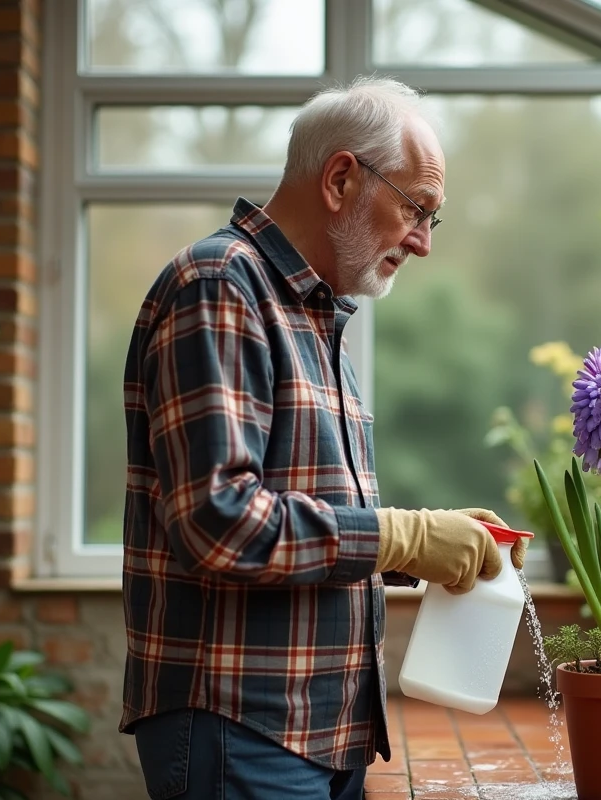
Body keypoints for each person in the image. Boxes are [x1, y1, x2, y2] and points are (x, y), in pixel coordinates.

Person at [119, 76, 528, 800]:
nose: (424, 242)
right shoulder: (220, 284)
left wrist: (430, 544)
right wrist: (400, 536)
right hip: (241, 725)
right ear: (341, 177)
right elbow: (218, 522)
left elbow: (307, 522)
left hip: (316, 731)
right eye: (417, 208)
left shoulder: (313, 315)